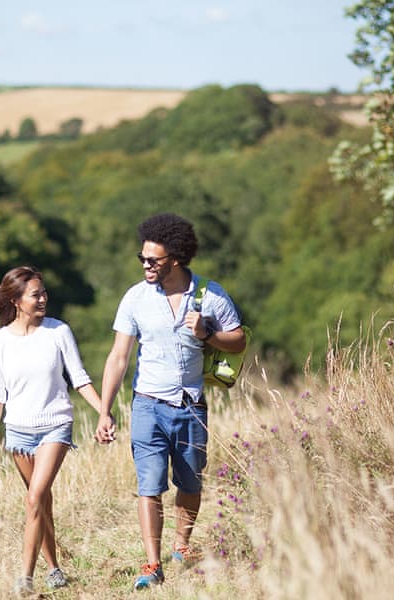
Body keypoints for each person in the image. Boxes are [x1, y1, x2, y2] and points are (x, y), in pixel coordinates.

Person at [96, 214, 246, 590]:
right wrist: (104, 410)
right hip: (146, 402)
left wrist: (207, 332)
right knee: (149, 485)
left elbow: (239, 339)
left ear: (175, 259)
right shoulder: (135, 297)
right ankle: (152, 563)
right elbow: (118, 357)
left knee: (190, 481)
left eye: (153, 260)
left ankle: (182, 545)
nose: (146, 265)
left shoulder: (210, 295)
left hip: (191, 405)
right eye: (142, 258)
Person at [0, 266, 104, 597]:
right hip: (18, 433)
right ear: (16, 300)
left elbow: (79, 378)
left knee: (34, 497)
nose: (43, 298)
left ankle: (25, 576)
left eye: (44, 292)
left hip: (55, 424)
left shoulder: (57, 331)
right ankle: (54, 568)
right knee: (42, 503)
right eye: (36, 294)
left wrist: (104, 413)